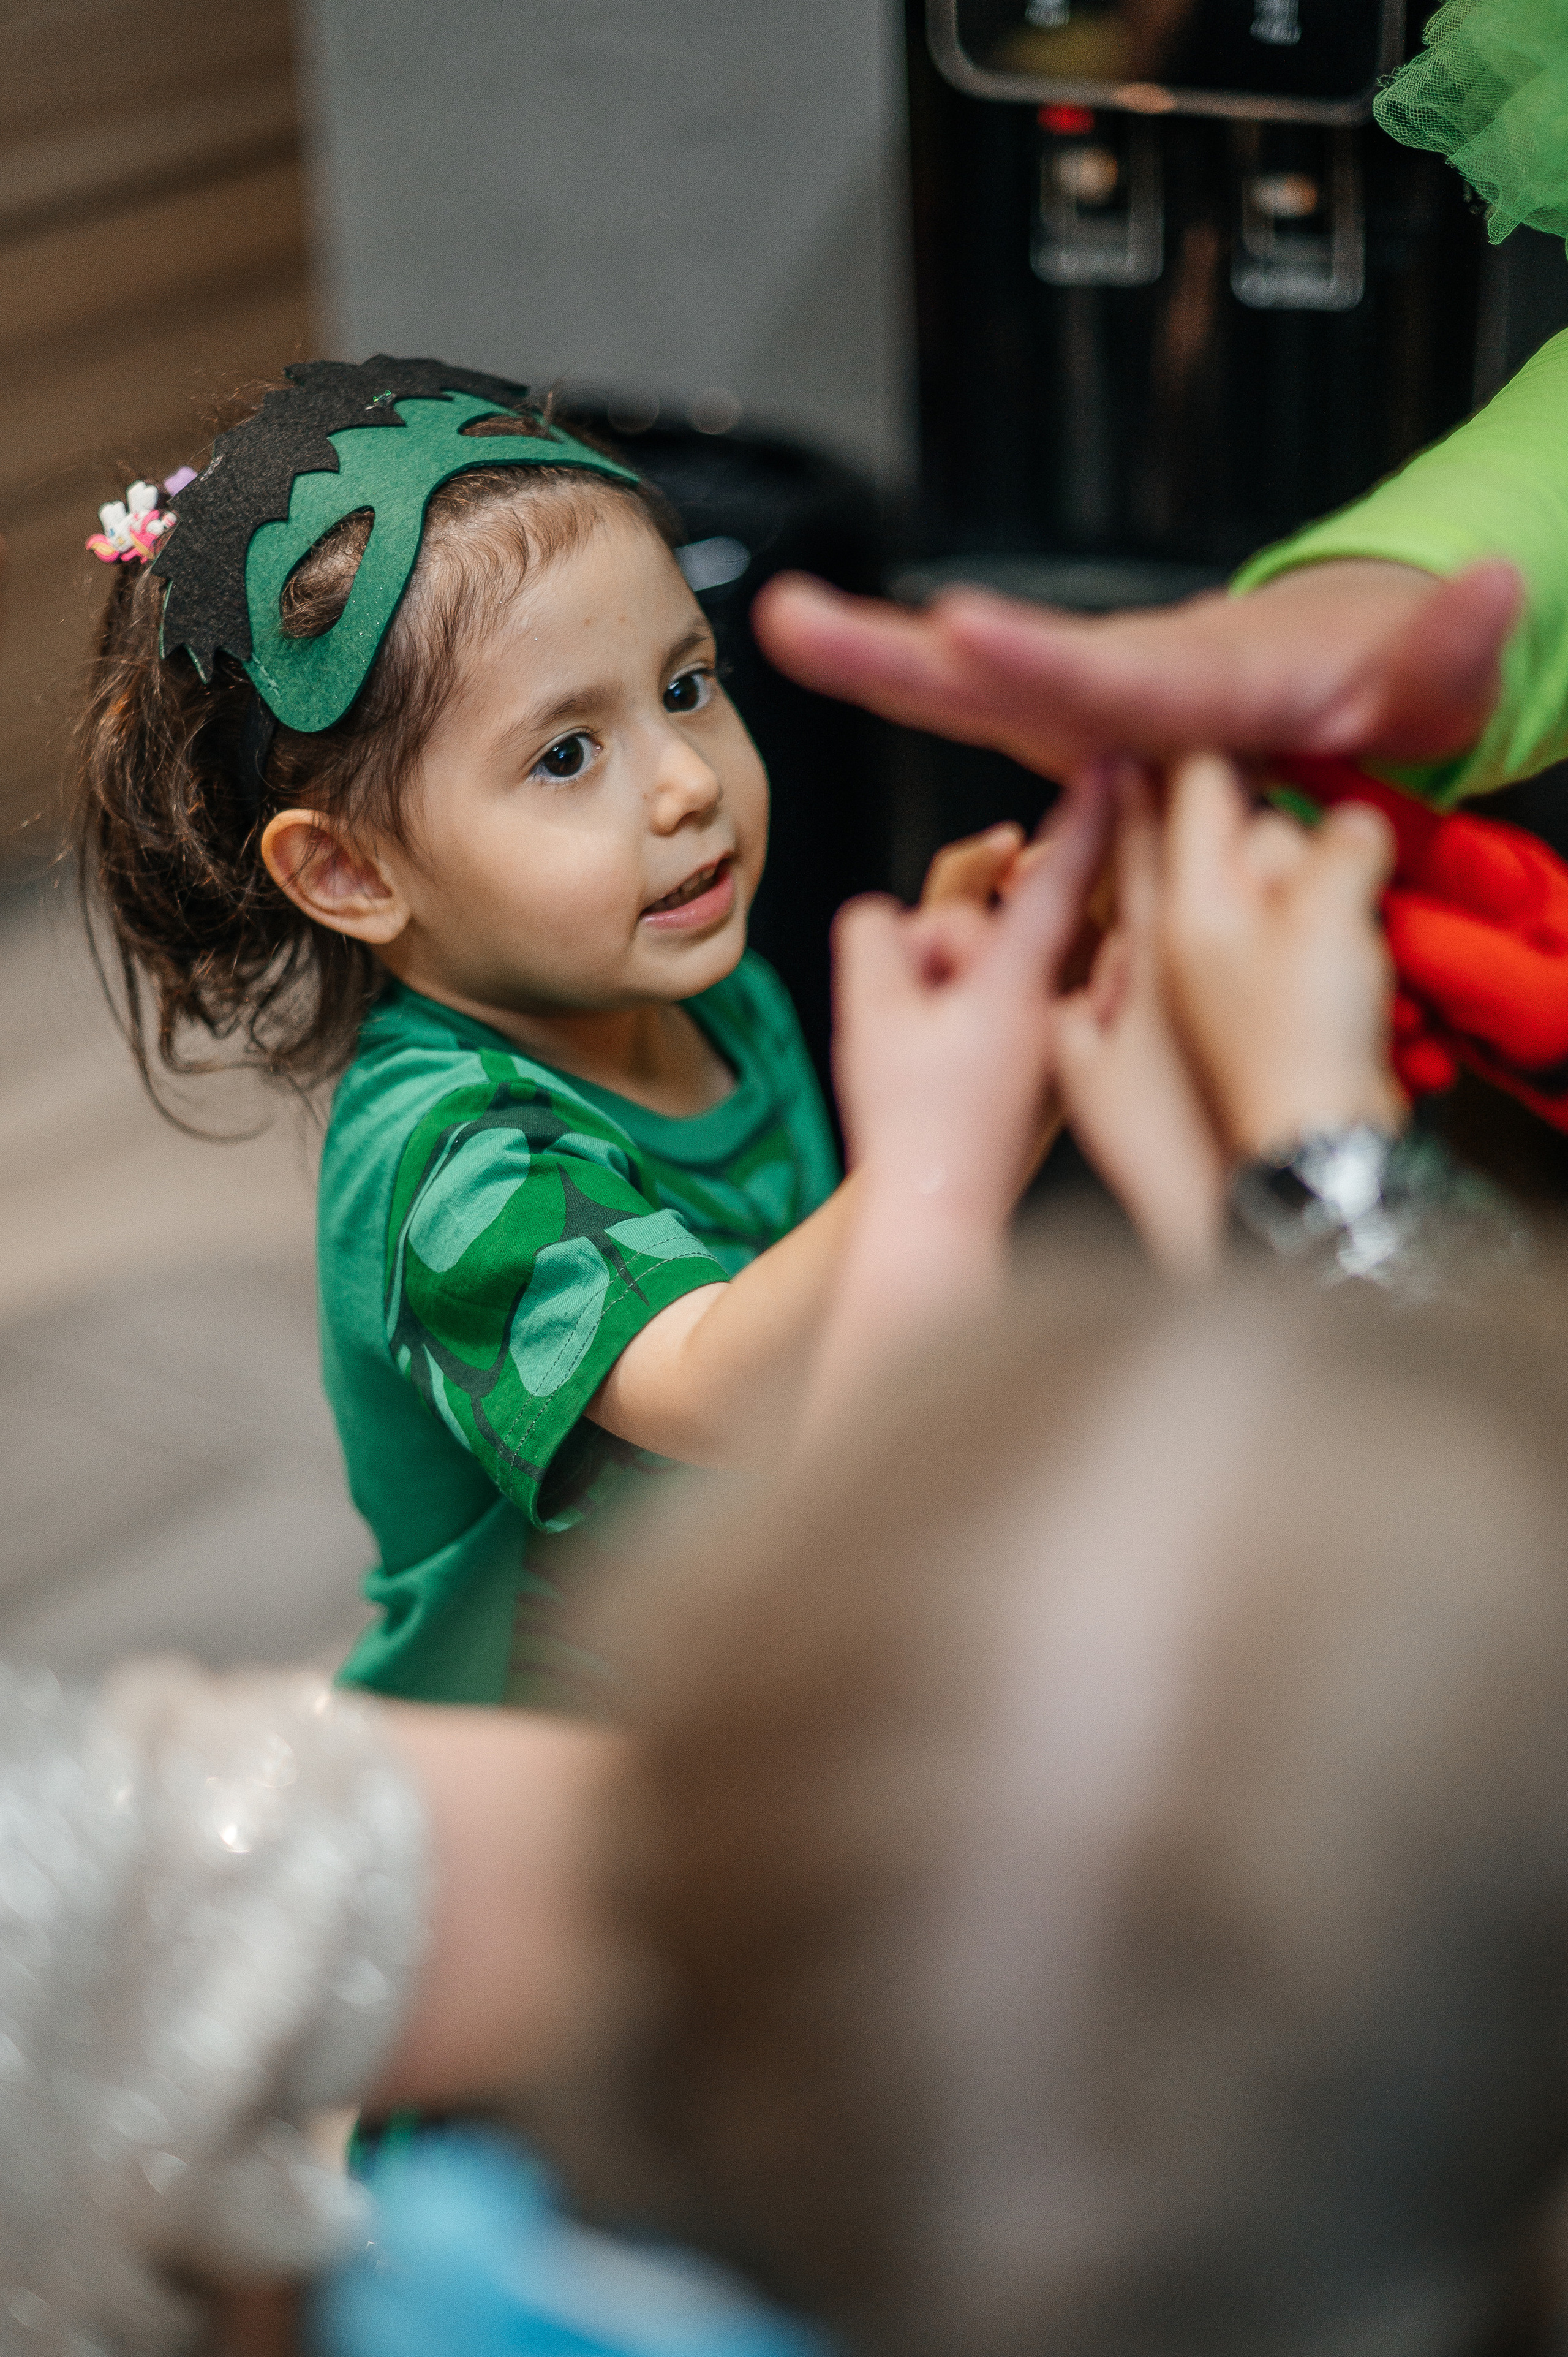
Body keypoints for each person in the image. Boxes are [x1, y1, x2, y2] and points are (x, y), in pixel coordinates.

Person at [71, 357, 1085, 1712]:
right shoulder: (451, 1163)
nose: (684, 782)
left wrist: (979, 1005)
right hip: (548, 1777)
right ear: (354, 873)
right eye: (565, 755)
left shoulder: (705, 994)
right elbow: (726, 1389)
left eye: (686, 686)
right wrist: (956, 1135)